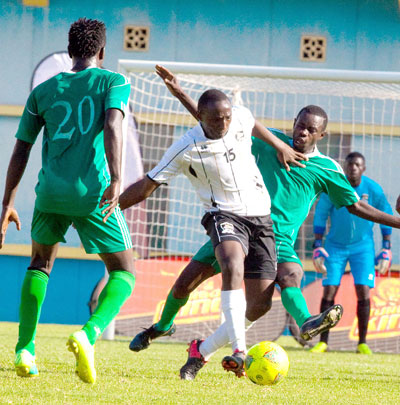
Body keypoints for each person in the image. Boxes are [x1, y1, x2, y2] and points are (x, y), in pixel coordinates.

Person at [126, 66, 400, 380]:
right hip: (238, 224)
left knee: (287, 278)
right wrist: (182, 96)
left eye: (311, 130)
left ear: (322, 135)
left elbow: (356, 205)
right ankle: (162, 326)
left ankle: (306, 321)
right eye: (300, 125)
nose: (303, 133)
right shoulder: (271, 143)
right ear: (294, 122)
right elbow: (218, 127)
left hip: (276, 240)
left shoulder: (327, 168)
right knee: (185, 283)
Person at [117, 68, 309, 377]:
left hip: (260, 218)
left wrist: (280, 145)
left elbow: (248, 122)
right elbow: (149, 183)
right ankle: (238, 350)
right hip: (223, 217)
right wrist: (113, 206)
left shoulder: (238, 119)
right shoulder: (185, 148)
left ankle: (200, 352)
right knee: (229, 265)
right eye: (216, 119)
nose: (224, 124)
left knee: (259, 305)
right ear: (201, 119)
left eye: (227, 118)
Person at [0, 18, 136, 384]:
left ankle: (24, 350)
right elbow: (112, 124)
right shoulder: (113, 81)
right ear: (102, 52)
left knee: (40, 263)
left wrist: (6, 204)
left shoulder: (43, 91)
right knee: (125, 269)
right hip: (93, 193)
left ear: (70, 50)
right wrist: (118, 178)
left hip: (50, 193)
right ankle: (88, 334)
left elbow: (21, 150)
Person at [310, 152, 393, 354]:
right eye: (350, 164)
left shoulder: (373, 189)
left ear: (363, 168)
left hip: (362, 247)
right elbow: (320, 215)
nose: (353, 167)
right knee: (329, 290)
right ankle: (323, 341)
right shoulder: (334, 186)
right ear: (345, 167)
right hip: (334, 246)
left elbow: (387, 215)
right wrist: (317, 245)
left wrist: (386, 248)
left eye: (357, 164)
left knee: (363, 290)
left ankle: (362, 343)